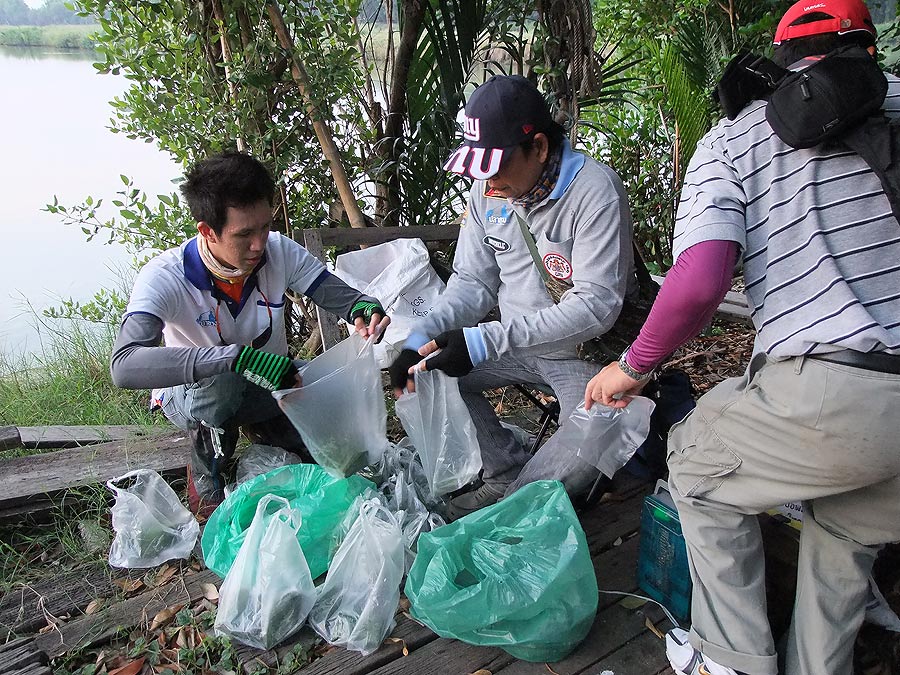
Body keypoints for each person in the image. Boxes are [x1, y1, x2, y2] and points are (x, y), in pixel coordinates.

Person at [584, 1, 900, 673]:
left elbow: (699, 281)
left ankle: (730, 659)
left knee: (695, 458)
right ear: (869, 50)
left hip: (836, 388)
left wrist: (633, 366)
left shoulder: (736, 139)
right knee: (843, 530)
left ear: (782, 60)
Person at [389, 74, 639, 519]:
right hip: (516, 345)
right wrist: (420, 336)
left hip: (585, 358)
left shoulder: (595, 192)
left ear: (539, 148)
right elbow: (473, 282)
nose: (486, 183)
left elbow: (597, 307)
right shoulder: (487, 193)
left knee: (578, 458)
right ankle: (502, 471)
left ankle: (518, 498)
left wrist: (485, 339)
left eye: (495, 166)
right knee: (427, 373)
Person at [111, 152, 386, 516]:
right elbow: (125, 365)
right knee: (223, 380)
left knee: (330, 397)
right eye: (244, 235)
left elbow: (344, 299)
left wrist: (366, 309)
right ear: (207, 231)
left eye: (265, 228)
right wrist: (235, 358)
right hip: (194, 398)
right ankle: (207, 481)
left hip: (268, 381)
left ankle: (265, 427)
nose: (259, 245)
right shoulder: (165, 276)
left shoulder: (278, 252)